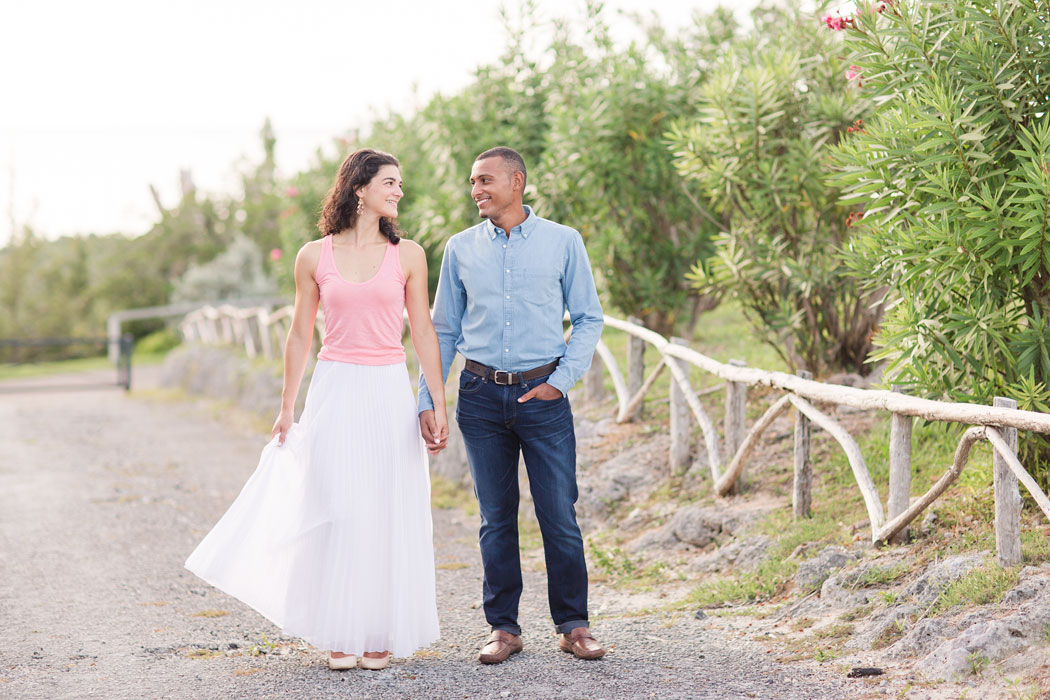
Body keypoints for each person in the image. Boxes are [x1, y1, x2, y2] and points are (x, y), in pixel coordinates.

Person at [186, 148, 448, 671]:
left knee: (384, 508)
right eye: (390, 183)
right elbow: (299, 334)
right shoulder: (314, 255)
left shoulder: (410, 255)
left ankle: (377, 631)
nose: (399, 192)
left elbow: (423, 331)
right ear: (360, 188)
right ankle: (339, 630)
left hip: (388, 389)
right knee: (336, 506)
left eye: (400, 184)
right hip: (334, 389)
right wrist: (287, 409)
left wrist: (437, 401)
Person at [417, 146, 606, 663]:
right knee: (495, 517)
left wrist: (561, 380)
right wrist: (427, 398)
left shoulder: (563, 242)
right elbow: (443, 330)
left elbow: (589, 317)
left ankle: (574, 625)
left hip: (542, 395)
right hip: (479, 398)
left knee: (558, 514)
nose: (475, 189)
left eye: (485, 180)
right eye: (472, 182)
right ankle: (503, 628)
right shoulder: (458, 248)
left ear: (516, 182)